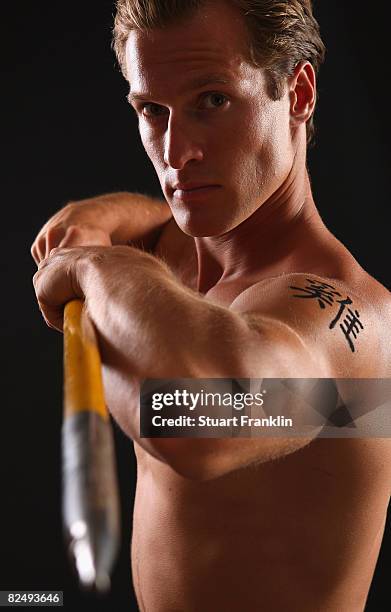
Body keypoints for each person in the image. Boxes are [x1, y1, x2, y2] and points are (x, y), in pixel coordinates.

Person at [32, 1, 391, 610]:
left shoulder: (348, 322)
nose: (177, 153)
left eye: (213, 101)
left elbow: (197, 420)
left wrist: (95, 263)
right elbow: (167, 236)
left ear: (298, 93)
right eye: (152, 111)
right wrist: (103, 222)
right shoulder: (176, 267)